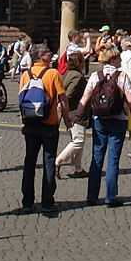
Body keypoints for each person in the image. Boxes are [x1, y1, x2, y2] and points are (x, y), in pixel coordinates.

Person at [80, 45, 131, 207]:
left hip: (99, 120)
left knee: (96, 159)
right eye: (118, 58)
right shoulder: (123, 76)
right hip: (118, 120)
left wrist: (77, 115)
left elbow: (85, 98)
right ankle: (110, 197)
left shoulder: (95, 76)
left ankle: (91, 196)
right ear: (113, 59)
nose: (120, 60)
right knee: (113, 160)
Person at [17, 44, 68, 216]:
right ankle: (47, 201)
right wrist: (67, 119)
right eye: (47, 52)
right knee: (48, 162)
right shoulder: (53, 74)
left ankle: (27, 202)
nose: (50, 54)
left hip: (30, 124)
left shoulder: (26, 74)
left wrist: (23, 120)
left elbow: (21, 99)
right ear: (40, 56)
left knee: (29, 162)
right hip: (49, 123)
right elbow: (63, 99)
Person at [54, 48, 88, 179]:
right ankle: (58, 161)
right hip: (75, 112)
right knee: (78, 140)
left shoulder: (68, 73)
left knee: (77, 139)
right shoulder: (77, 76)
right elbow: (69, 94)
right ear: (79, 62)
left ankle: (78, 168)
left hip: (71, 111)